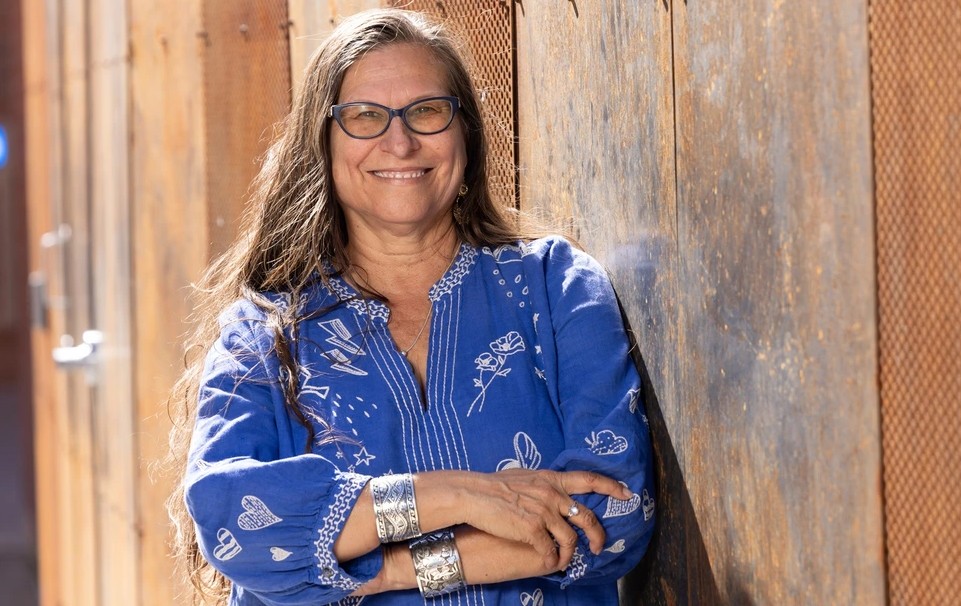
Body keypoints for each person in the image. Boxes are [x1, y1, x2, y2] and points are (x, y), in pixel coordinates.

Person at [170, 8, 655, 605]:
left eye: (426, 111)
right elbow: (234, 520)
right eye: (365, 117)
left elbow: (612, 513)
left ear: (466, 132)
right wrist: (457, 496)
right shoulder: (266, 333)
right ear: (322, 142)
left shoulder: (553, 287)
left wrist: (395, 569)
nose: (399, 142)